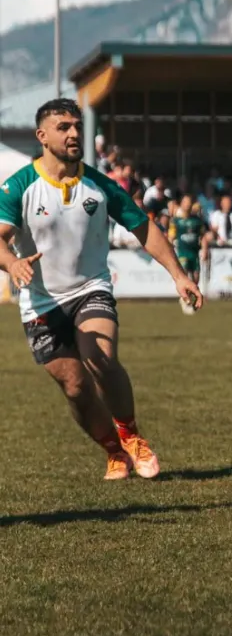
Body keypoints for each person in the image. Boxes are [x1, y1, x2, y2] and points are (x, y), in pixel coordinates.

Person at [0, 99, 203, 481]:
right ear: (42, 136)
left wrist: (178, 274)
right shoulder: (18, 186)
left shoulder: (99, 185)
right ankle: (113, 451)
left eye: (77, 125)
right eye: (63, 127)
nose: (74, 133)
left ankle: (131, 435)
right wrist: (12, 263)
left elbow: (142, 227)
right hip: (41, 301)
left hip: (91, 288)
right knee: (75, 386)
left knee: (100, 357)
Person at [169, 193, 210, 315]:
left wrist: (204, 249)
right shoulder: (176, 221)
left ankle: (190, 298)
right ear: (181, 204)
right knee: (185, 275)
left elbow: (203, 237)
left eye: (189, 202)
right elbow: (171, 237)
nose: (187, 204)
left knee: (196, 278)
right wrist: (169, 250)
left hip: (194, 253)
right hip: (183, 253)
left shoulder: (197, 221)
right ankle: (185, 300)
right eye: (185, 202)